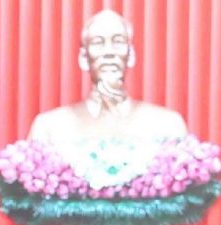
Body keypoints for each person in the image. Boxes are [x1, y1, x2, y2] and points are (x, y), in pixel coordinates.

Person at [28, 9, 187, 145]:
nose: (109, 52)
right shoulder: (49, 127)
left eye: (118, 41)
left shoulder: (167, 125)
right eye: (98, 43)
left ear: (130, 55)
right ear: (84, 58)